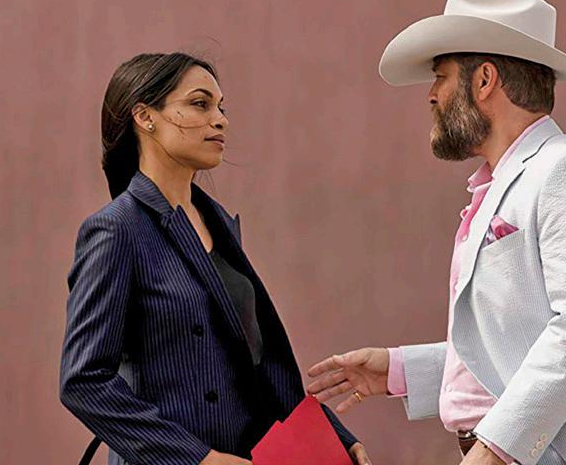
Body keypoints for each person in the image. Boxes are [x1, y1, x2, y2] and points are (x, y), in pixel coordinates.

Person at [306, 0, 566, 465]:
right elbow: (514, 347)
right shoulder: (505, 184)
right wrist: (402, 371)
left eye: (441, 76)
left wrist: (495, 449)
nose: (431, 94)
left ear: (484, 80)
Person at [59, 52, 370, 465]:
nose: (220, 120)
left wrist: (332, 439)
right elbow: (84, 381)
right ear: (145, 116)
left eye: (221, 108)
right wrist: (199, 459)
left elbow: (262, 368)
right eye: (200, 104)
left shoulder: (218, 223)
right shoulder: (117, 230)